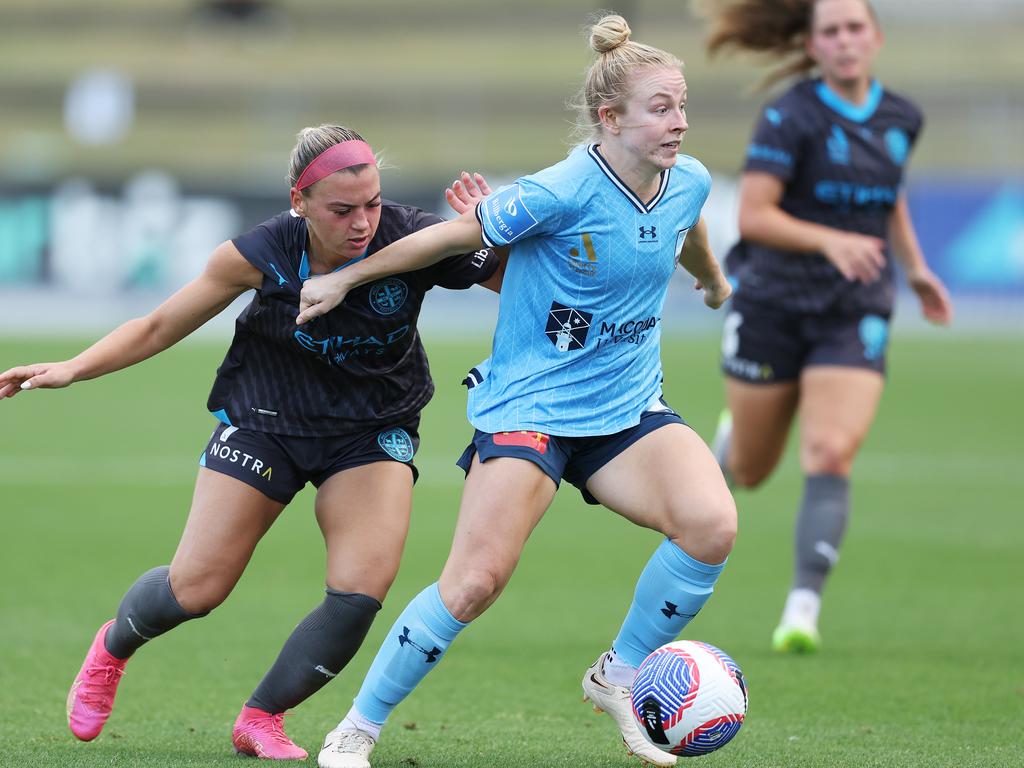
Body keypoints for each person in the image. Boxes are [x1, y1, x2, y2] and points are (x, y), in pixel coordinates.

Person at [294, 15, 737, 768]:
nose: (680, 121)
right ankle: (356, 730)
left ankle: (620, 675)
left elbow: (685, 223)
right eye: (661, 107)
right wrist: (343, 277)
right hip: (531, 408)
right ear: (611, 119)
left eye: (683, 104)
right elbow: (444, 239)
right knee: (473, 583)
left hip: (625, 408)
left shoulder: (686, 177)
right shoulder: (560, 191)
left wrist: (713, 278)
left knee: (711, 525)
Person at [0, 124, 503, 759]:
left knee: (358, 595)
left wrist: (490, 231)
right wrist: (73, 367)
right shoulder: (260, 250)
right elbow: (157, 325)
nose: (363, 222)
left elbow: (515, 284)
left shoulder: (414, 237)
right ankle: (111, 648)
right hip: (267, 420)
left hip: (372, 430)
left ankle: (262, 717)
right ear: (300, 203)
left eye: (372, 203)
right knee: (197, 588)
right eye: (342, 209)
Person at [694, 0, 953, 653]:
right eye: (831, 31)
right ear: (812, 46)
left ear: (876, 37)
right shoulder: (792, 115)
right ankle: (731, 446)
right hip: (775, 305)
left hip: (855, 309)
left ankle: (801, 611)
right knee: (751, 470)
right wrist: (830, 241)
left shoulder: (902, 118)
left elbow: (887, 193)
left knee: (831, 451)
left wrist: (916, 269)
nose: (844, 41)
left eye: (854, 28)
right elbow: (754, 216)